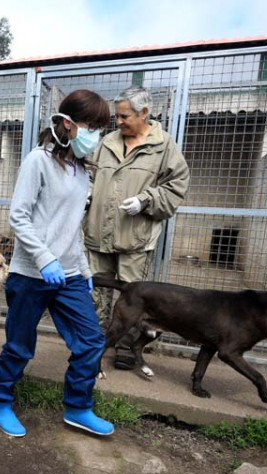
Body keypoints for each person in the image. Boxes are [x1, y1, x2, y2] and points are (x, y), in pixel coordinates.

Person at [0, 89, 113, 438]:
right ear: (67, 123)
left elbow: (70, 227)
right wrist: (44, 259)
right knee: (20, 346)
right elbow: (19, 217)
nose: (96, 135)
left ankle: (78, 408)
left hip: (69, 274)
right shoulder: (38, 161)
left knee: (90, 341)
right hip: (31, 274)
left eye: (101, 128)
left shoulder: (81, 170)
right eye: (92, 126)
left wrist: (84, 270)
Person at [83, 87, 189, 369]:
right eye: (116, 116)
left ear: (144, 113)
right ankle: (94, 342)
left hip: (135, 236)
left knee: (133, 296)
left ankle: (126, 346)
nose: (118, 122)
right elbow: (88, 174)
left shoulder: (164, 146)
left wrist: (146, 200)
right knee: (95, 292)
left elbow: (177, 187)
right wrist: (86, 192)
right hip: (98, 232)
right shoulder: (106, 142)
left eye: (123, 116)